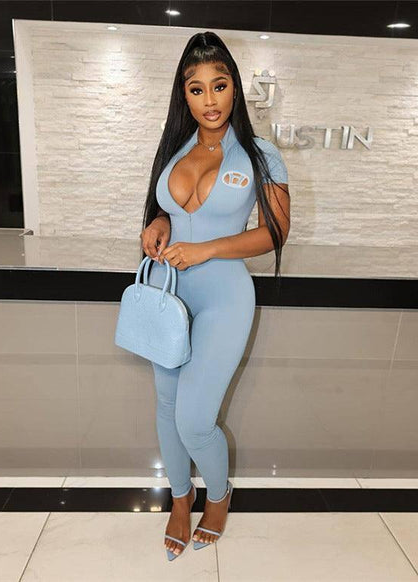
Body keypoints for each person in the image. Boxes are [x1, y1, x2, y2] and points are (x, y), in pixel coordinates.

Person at [138, 31, 290, 560]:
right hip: (166, 294)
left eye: (219, 85)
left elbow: (275, 232)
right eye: (196, 88)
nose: (209, 100)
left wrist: (207, 250)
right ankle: (181, 499)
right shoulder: (174, 147)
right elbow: (168, 211)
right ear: (184, 95)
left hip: (224, 297)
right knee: (166, 406)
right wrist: (158, 223)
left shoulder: (260, 154)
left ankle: (219, 496)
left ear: (235, 89)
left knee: (195, 419)